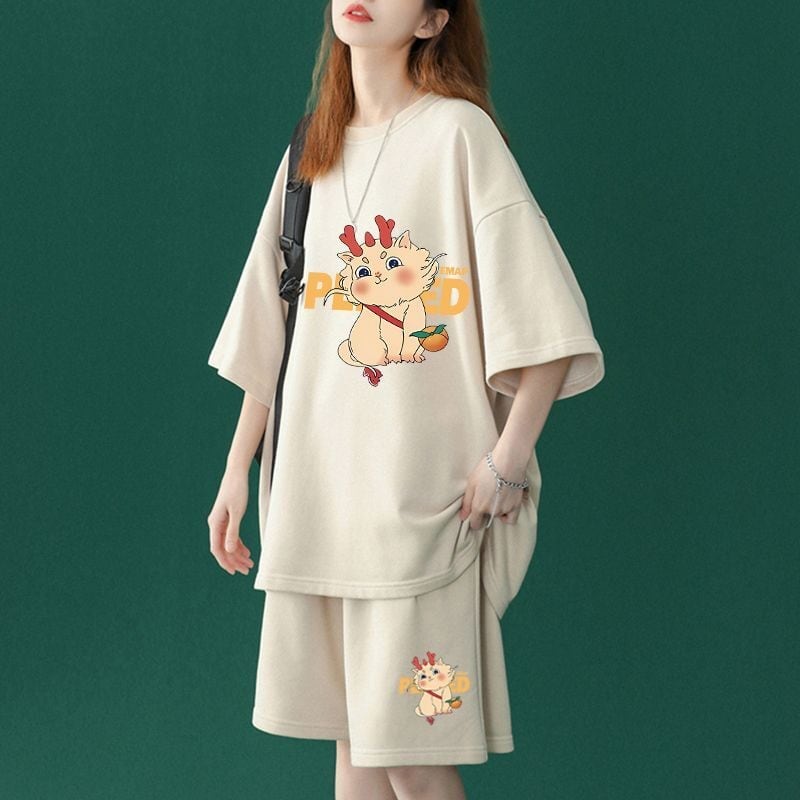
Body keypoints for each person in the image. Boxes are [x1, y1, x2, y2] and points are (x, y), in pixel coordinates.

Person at [206, 1, 605, 797]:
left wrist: (507, 461)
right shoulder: (309, 153)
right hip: (319, 508)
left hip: (422, 514)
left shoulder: (459, 136)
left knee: (413, 764)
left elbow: (550, 327)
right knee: (355, 752)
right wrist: (235, 474)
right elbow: (273, 335)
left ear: (431, 21)